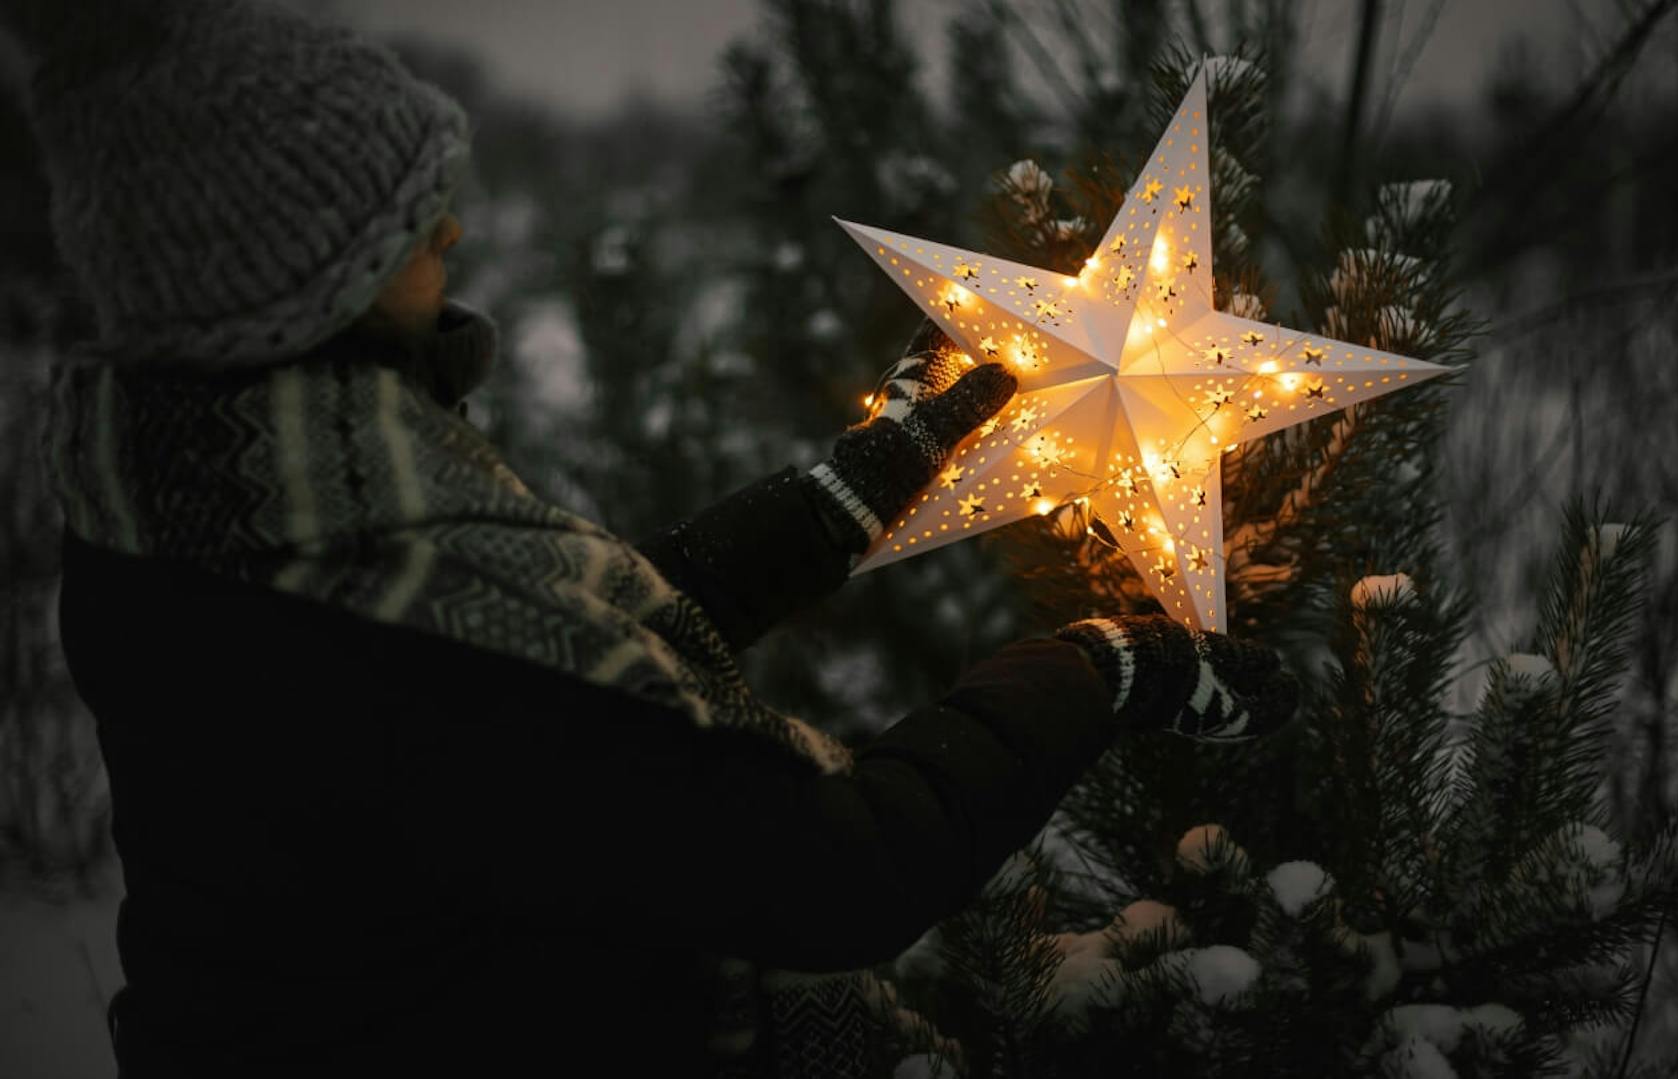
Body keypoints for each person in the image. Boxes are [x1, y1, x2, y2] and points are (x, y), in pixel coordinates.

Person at [12, 0, 1302, 1074]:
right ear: (295, 289)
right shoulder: (396, 619)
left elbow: (581, 644)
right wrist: (1094, 669)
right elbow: (826, 877)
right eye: (407, 221)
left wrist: (868, 478)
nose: (453, 231)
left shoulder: (207, 516)